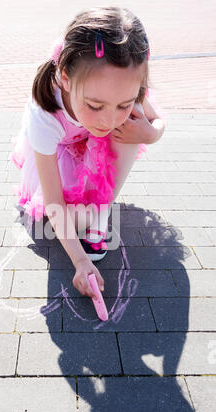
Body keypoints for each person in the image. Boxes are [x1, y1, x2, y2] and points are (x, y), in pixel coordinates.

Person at [10, 5, 166, 300]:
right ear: (66, 79)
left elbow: (156, 121)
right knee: (68, 221)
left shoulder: (123, 91)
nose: (108, 120)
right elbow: (53, 201)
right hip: (62, 152)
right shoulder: (45, 114)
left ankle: (102, 207)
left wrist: (150, 132)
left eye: (122, 103)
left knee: (134, 122)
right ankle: (92, 213)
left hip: (96, 149)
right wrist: (79, 261)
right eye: (95, 106)